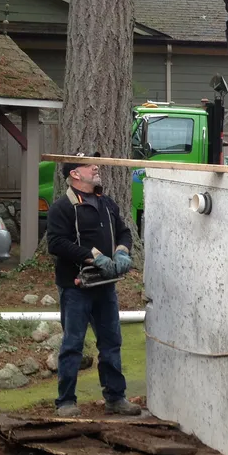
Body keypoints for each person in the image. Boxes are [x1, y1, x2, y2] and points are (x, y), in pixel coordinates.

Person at [45, 154, 140, 417]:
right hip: (76, 287)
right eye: (89, 165)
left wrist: (121, 251)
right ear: (75, 174)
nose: (96, 167)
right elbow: (56, 243)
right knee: (73, 344)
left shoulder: (106, 203)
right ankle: (66, 402)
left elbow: (124, 232)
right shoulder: (62, 207)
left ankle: (115, 398)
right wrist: (93, 257)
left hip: (105, 286)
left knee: (111, 342)